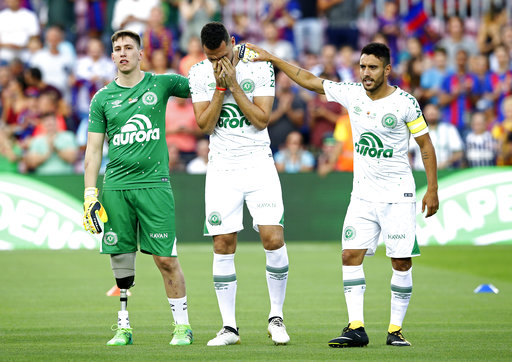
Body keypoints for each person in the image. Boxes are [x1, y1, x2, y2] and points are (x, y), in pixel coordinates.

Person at [248, 41, 439, 347]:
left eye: (373, 67)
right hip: (362, 195)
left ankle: (395, 330)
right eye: (362, 66)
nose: (366, 73)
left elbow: (425, 146)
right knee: (350, 256)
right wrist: (273, 59)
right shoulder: (352, 93)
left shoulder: (405, 103)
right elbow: (311, 81)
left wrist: (432, 188)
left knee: (401, 262)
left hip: (398, 195)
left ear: (387, 70)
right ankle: (356, 327)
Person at [83, 29, 193, 347]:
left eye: (129, 47)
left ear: (141, 53)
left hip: (154, 186)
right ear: (112, 55)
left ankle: (182, 326)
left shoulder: (161, 84)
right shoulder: (102, 98)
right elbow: (93, 151)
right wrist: (90, 193)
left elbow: (202, 87)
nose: (122, 53)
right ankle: (123, 327)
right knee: (121, 259)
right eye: (116, 48)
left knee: (166, 260)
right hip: (116, 188)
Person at [188, 22, 290, 346]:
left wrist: (234, 85)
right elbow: (204, 125)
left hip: (259, 163)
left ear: (232, 43)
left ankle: (276, 317)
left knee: (272, 237)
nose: (219, 63)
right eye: (211, 57)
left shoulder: (260, 67)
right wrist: (220, 87)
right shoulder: (198, 73)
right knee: (223, 244)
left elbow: (261, 120)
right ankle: (229, 328)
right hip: (222, 168)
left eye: (223, 55)